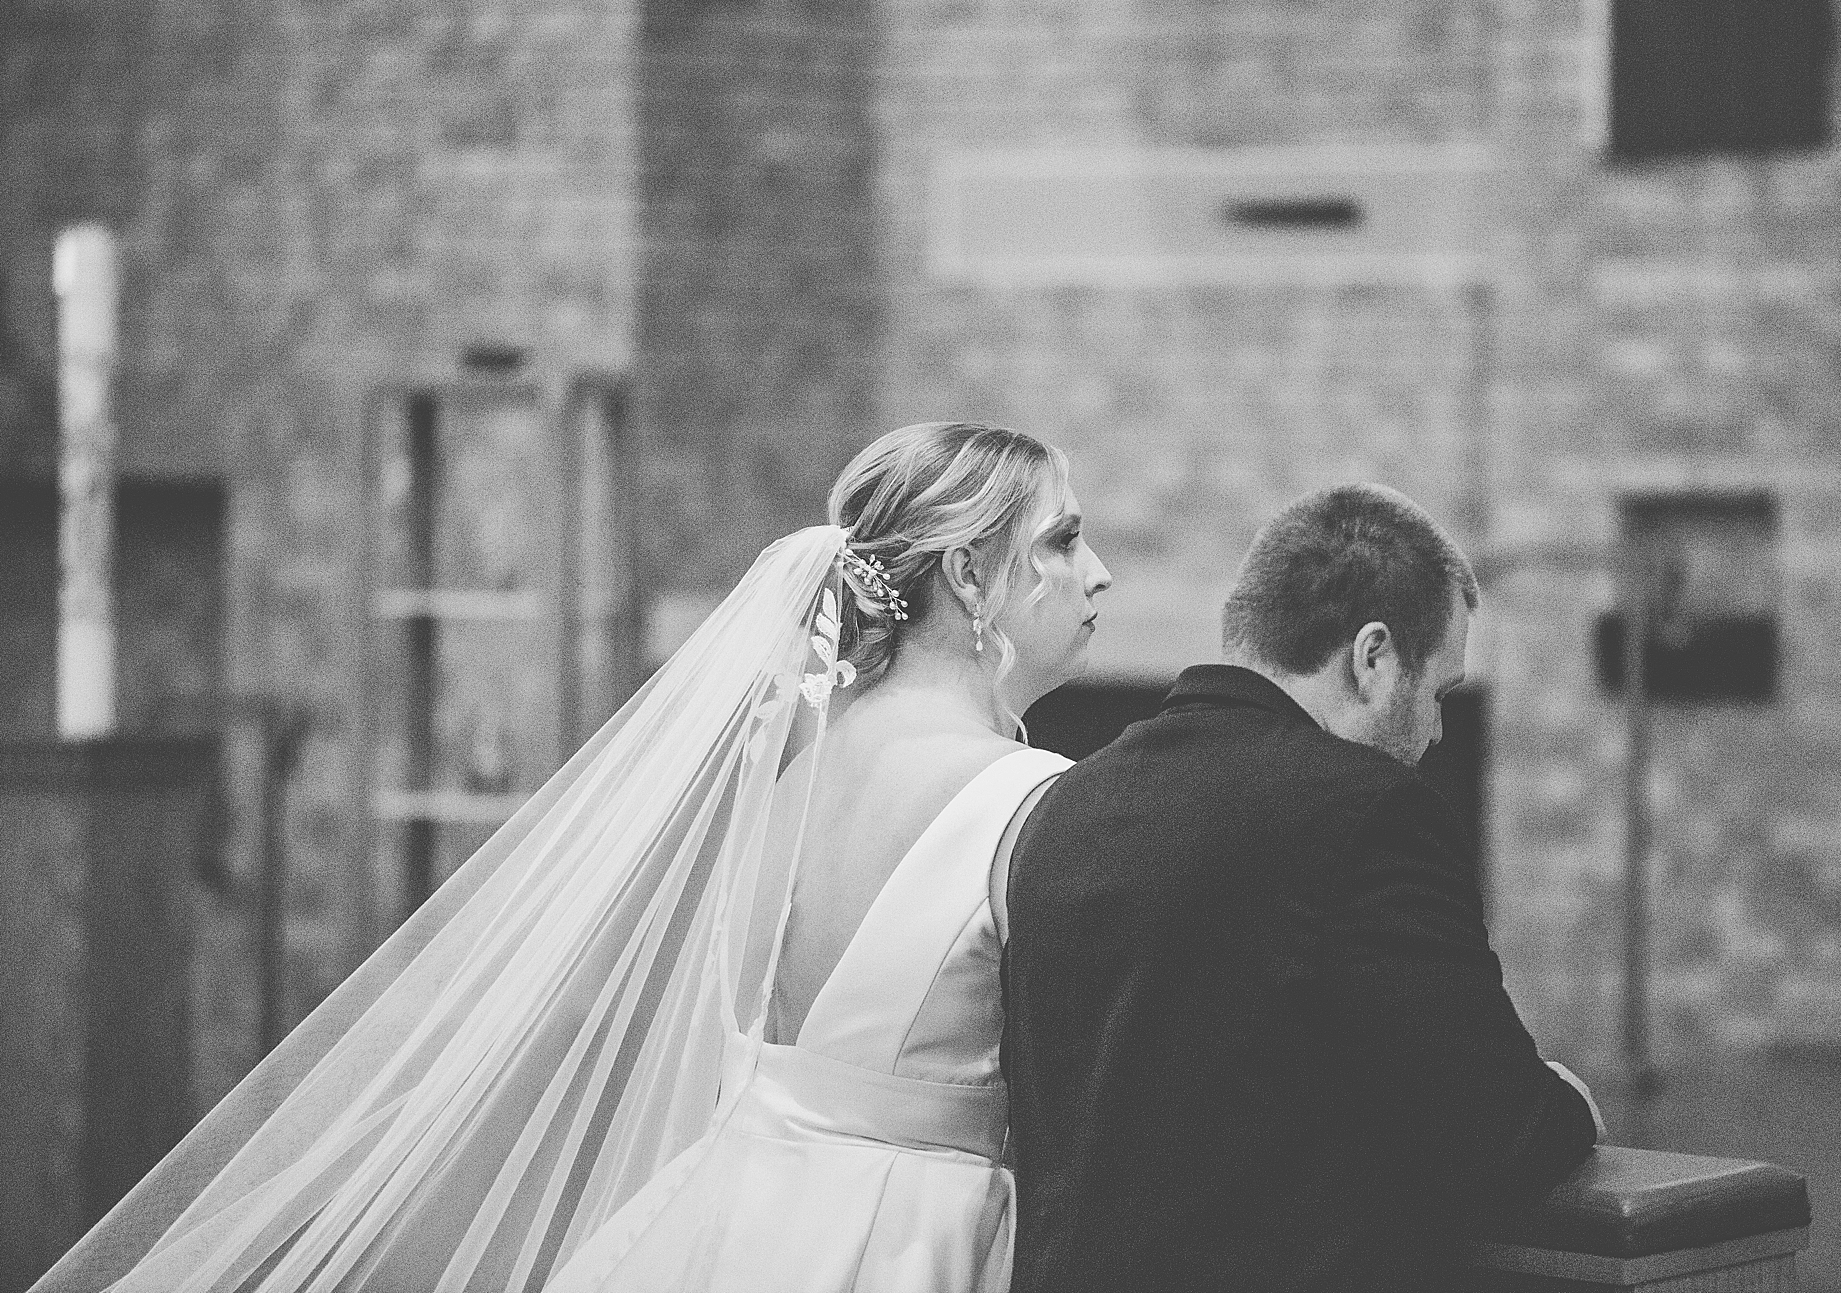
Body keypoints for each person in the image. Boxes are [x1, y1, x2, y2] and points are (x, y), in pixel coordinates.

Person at [32, 422, 1110, 1293]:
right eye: (1063, 541)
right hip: (917, 1236)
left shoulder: (786, 770)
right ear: (968, 574)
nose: (1096, 575)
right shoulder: (1027, 801)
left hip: (733, 1213)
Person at [1002, 482, 1602, 1293]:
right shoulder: (1370, 812)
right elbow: (1496, 1130)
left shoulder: (1068, 800)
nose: (1436, 730)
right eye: (1438, 692)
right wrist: (1568, 1104)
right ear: (1373, 657)